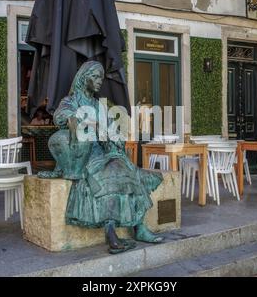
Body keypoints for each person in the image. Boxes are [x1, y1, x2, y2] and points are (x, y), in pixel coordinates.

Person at [39, 61, 164, 254]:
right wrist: (83, 121)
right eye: (95, 77)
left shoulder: (100, 105)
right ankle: (110, 230)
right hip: (85, 153)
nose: (99, 81)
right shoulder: (71, 100)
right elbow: (60, 116)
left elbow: (112, 131)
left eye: (101, 78)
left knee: (128, 170)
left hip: (105, 152)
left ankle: (139, 227)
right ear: (83, 78)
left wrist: (113, 137)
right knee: (110, 174)